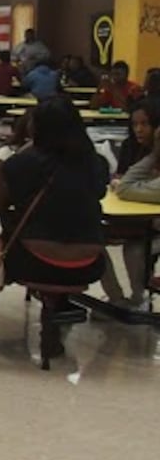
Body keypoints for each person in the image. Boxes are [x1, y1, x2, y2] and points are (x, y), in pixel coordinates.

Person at [0, 98, 109, 358]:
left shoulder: (22, 162)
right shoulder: (96, 164)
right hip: (89, 263)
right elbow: (98, 193)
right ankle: (52, 334)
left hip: (32, 260)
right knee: (60, 259)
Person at [101, 97, 159, 307]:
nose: (139, 130)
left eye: (145, 124)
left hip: (153, 226)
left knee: (134, 249)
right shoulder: (130, 147)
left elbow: (125, 186)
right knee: (92, 242)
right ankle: (116, 300)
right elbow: (122, 179)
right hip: (129, 219)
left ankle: (138, 298)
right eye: (135, 124)